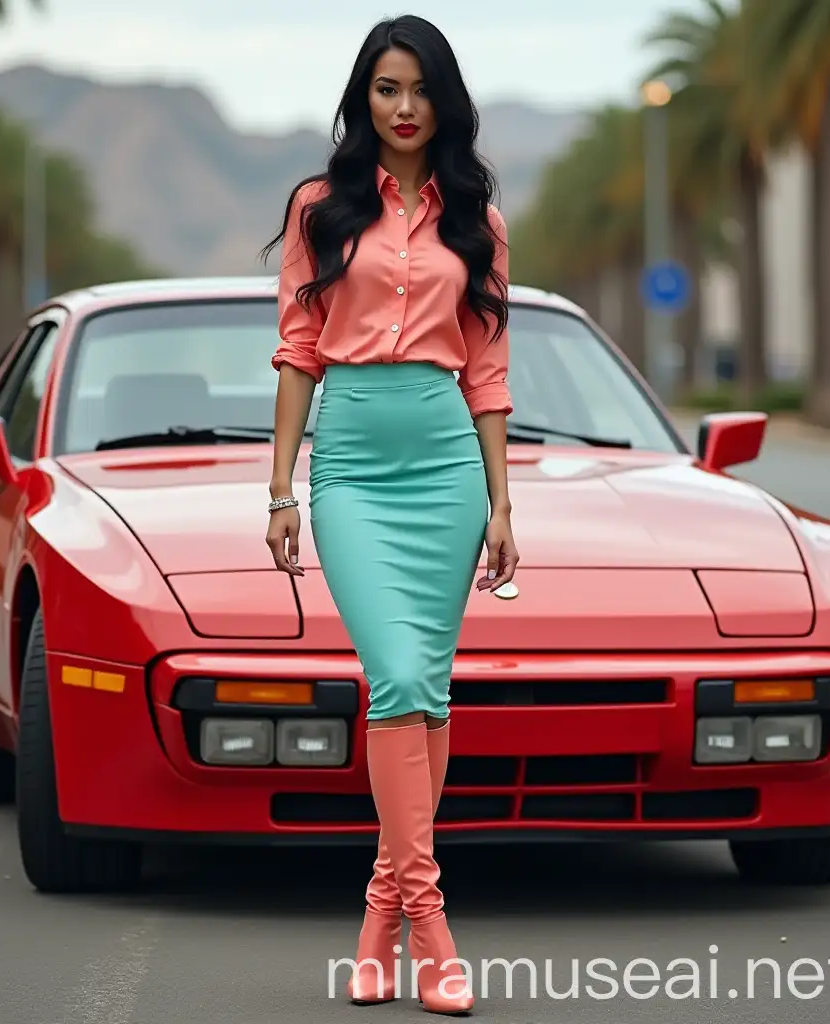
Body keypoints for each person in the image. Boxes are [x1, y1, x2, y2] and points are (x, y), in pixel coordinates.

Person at [262, 13, 518, 1015]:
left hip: (447, 456)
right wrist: (281, 487)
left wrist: (500, 503)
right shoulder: (319, 209)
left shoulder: (476, 219)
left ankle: (379, 914)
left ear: (442, 99)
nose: (403, 108)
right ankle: (433, 925)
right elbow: (296, 349)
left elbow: (490, 370)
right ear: (362, 98)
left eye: (418, 89)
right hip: (356, 459)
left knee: (426, 691)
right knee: (398, 673)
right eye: (385, 89)